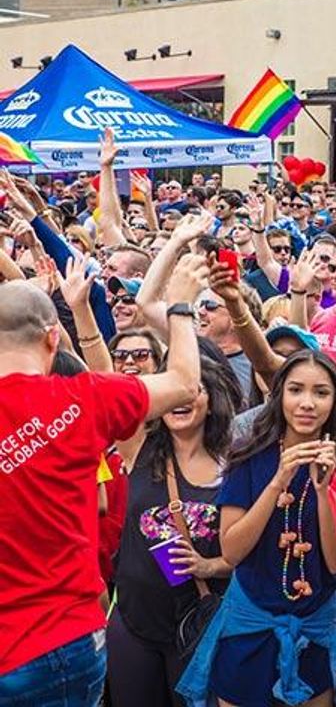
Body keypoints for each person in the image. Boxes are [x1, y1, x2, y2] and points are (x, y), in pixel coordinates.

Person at [0, 255, 207, 702]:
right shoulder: (81, 398)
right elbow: (185, 383)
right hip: (59, 642)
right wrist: (182, 308)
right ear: (53, 338)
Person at [177, 351, 336, 707]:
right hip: (249, 622)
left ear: (335, 399)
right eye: (296, 390)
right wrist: (279, 480)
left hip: (315, 625)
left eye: (321, 393)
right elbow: (232, 551)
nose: (307, 403)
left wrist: (324, 491)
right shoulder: (247, 452)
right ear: (279, 396)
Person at [107, 358, 241, 707]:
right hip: (135, 623)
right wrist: (81, 312)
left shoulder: (236, 463)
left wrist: (211, 566)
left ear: (212, 400)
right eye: (174, 392)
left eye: (193, 390)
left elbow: (251, 548)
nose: (180, 400)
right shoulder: (139, 447)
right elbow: (104, 377)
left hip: (201, 621)